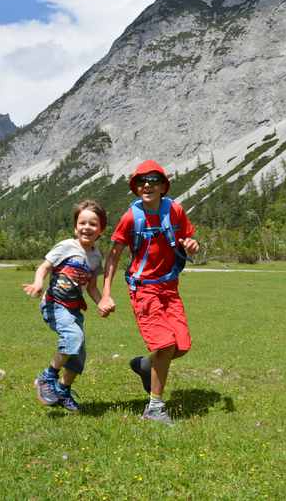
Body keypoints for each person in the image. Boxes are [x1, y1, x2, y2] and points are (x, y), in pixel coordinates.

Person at [98, 160, 199, 425]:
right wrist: (106, 293)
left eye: (153, 180)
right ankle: (155, 408)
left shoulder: (175, 210)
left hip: (170, 287)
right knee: (165, 345)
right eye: (141, 181)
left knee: (182, 346)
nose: (147, 185)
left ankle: (145, 365)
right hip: (143, 289)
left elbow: (188, 240)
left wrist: (192, 245)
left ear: (164, 186)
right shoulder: (131, 218)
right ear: (135, 187)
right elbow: (113, 257)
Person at [23, 200, 107, 411]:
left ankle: (62, 391)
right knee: (73, 338)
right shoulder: (66, 246)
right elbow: (44, 267)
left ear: (101, 230)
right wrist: (38, 283)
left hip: (74, 308)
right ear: (75, 226)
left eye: (93, 224)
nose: (87, 227)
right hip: (54, 304)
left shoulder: (96, 256)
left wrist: (101, 302)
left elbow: (92, 287)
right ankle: (47, 377)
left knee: (78, 353)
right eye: (82, 222)